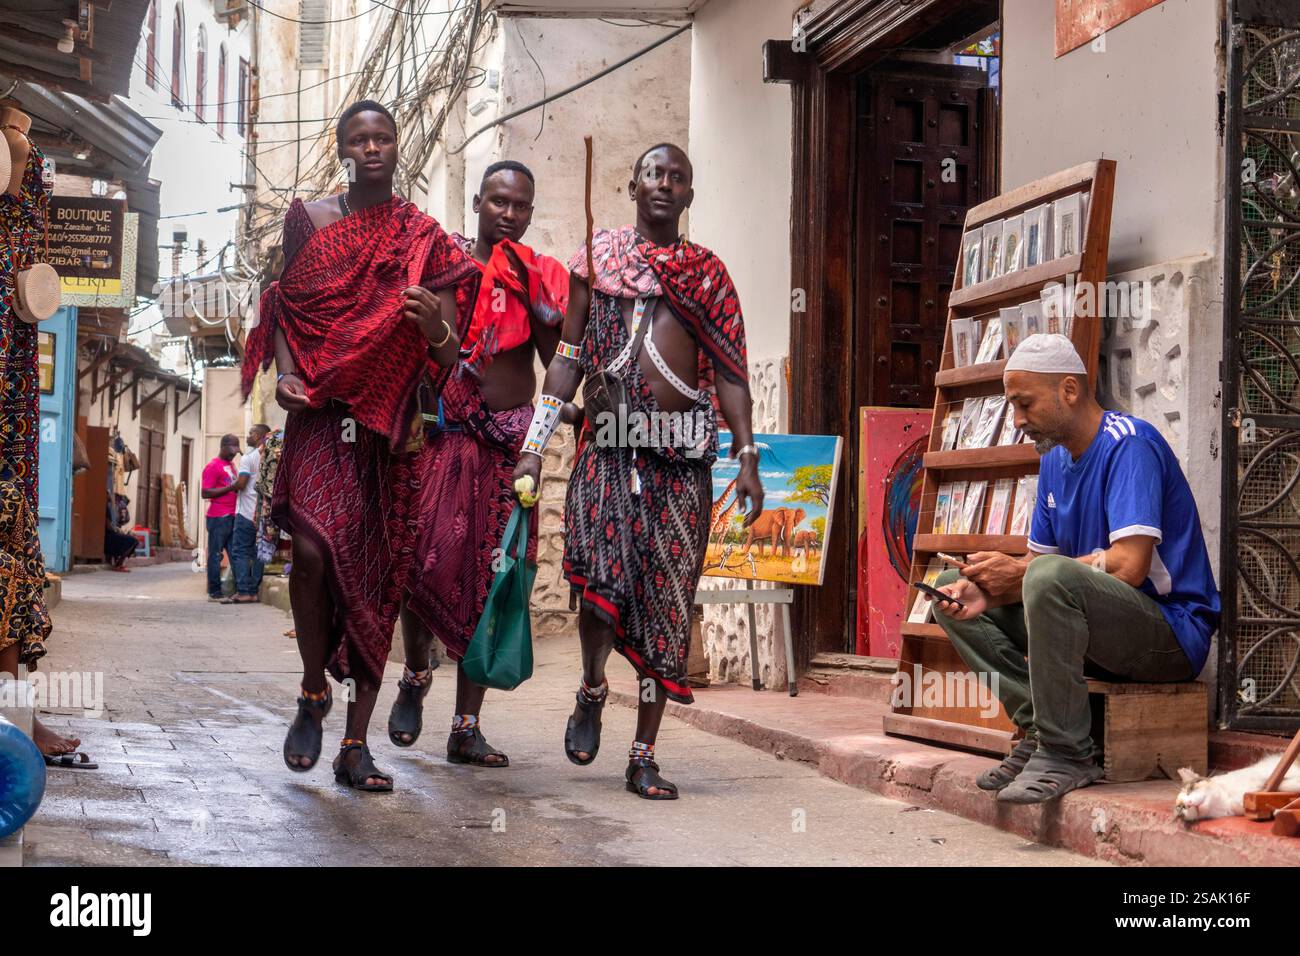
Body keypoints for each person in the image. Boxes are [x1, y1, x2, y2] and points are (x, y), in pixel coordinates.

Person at [513, 143, 763, 800]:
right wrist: (536, 444)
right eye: (654, 173)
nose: (664, 183)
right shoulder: (594, 265)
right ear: (633, 186)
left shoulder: (707, 276)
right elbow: (566, 358)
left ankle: (644, 752)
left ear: (688, 196)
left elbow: (733, 375)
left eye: (678, 177)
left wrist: (747, 457)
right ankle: (593, 686)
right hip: (607, 447)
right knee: (600, 582)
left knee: (667, 608)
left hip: (680, 457)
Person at [241, 100, 477, 792]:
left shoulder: (425, 238)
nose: (372, 147)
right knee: (312, 558)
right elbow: (285, 305)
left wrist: (434, 324)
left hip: (389, 430)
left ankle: (354, 742)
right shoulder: (307, 220)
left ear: (398, 147)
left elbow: (452, 350)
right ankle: (314, 688)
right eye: (359, 139)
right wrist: (285, 370)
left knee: (375, 583)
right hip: (320, 417)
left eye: (383, 137)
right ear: (343, 149)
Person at [932, 334, 1221, 804]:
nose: (1019, 420)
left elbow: (1128, 567)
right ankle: (1039, 731)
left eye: (1025, 404)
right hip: (1091, 625)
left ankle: (1069, 752)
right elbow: (1039, 571)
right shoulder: (1053, 460)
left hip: (1169, 634)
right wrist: (991, 587)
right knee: (952, 590)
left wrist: (1025, 574)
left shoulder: (1130, 445)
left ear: (1069, 390)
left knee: (1044, 575)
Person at [394, 160, 568, 766]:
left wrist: (535, 449)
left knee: (495, 583)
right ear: (477, 201)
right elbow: (428, 351)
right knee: (423, 563)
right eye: (500, 202)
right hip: (447, 436)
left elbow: (559, 367)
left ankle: (466, 726)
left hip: (511, 445)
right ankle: (417, 675)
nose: (511, 215)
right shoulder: (448, 263)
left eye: (522, 206)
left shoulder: (539, 281)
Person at [0, 127, 88, 766]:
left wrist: (20, 146)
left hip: (4, 440)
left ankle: (16, 724)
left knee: (7, 574)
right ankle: (17, 725)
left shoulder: (13, 234)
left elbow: (25, 188)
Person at [225, 423, 271, 604]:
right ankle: (253, 590)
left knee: (240, 551)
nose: (248, 436)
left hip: (246, 513)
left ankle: (244, 591)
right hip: (263, 514)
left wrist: (230, 486)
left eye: (251, 433)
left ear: (259, 436)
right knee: (259, 553)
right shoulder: (269, 456)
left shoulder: (248, 458)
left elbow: (242, 483)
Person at [200, 434, 241, 603]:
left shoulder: (231, 465)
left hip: (231, 515)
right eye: (231, 451)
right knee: (215, 555)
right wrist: (232, 488)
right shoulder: (212, 466)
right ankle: (214, 592)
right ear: (223, 447)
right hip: (218, 517)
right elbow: (205, 492)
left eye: (235, 452)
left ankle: (238, 590)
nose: (233, 455)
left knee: (234, 554)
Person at [104, 491, 137, 572]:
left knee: (129, 539)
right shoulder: (104, 507)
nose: (110, 496)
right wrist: (117, 530)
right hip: (108, 537)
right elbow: (108, 525)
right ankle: (119, 564)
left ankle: (119, 563)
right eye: (108, 494)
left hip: (109, 535)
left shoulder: (108, 507)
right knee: (133, 541)